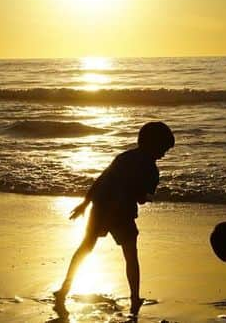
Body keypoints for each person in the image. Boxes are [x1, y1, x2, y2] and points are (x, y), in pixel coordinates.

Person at [54, 121, 175, 316]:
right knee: (131, 256)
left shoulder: (124, 157)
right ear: (154, 144)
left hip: (101, 206)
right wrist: (146, 197)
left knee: (85, 248)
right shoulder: (152, 170)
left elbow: (101, 179)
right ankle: (134, 297)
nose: (163, 154)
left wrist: (85, 203)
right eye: (163, 149)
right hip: (122, 213)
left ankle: (64, 289)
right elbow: (141, 198)